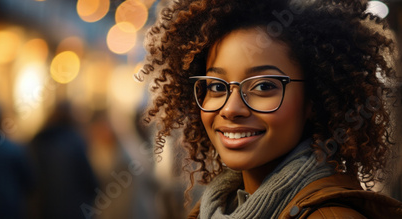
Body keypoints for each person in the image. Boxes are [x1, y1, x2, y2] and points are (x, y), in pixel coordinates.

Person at [136, 0, 402, 218]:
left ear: (313, 100)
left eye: (263, 87)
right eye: (216, 87)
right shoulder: (219, 208)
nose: (231, 109)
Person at [29, 101, 99, 219]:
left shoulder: (38, 142)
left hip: (46, 209)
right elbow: (90, 180)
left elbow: (30, 180)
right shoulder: (75, 141)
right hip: (75, 209)